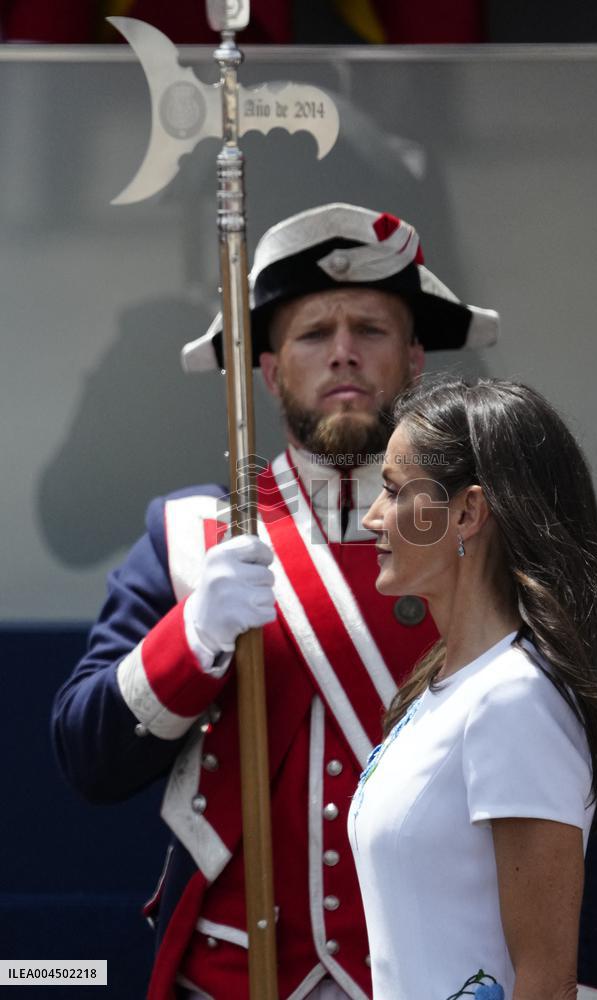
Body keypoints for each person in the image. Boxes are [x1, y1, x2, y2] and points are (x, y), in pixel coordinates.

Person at [51, 203, 499, 1000]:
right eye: (312, 333)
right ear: (267, 369)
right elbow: (87, 757)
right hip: (234, 976)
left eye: (371, 328)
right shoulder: (190, 536)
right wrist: (192, 637)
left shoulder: (486, 534)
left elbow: (565, 791)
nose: (344, 353)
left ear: (416, 358)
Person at [349, 376, 597, 1000]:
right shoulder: (445, 688)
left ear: (466, 512)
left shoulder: (514, 698)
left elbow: (544, 982)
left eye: (393, 491)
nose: (371, 516)